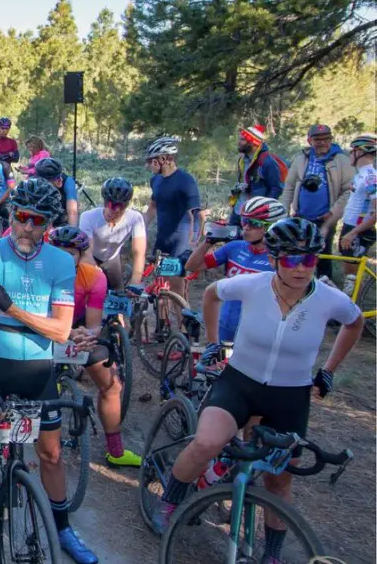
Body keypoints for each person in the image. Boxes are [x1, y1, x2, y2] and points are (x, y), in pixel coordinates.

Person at [154, 218, 365, 564]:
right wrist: (213, 343)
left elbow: (354, 323)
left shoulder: (328, 298)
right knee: (207, 443)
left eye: (309, 260)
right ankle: (169, 503)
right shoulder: (252, 285)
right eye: (292, 260)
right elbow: (210, 294)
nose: (301, 269)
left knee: (278, 480)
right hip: (239, 383)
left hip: (290, 396)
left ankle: (273, 552)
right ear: (273, 260)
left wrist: (328, 370)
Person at [0, 177, 98, 564]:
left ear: (49, 223)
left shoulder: (62, 262)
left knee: (50, 456)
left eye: (37, 220)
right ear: (11, 215)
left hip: (37, 370)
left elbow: (62, 330)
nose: (28, 227)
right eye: (21, 217)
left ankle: (63, 529)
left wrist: (12, 309)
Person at [48, 226, 142, 468]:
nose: (64, 258)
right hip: (42, 326)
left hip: (77, 328)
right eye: (57, 252)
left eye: (71, 253)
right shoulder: (35, 274)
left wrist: (83, 338)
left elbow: (93, 324)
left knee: (111, 385)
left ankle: (115, 450)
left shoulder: (94, 276)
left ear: (80, 255)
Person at [185, 197, 287, 342]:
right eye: (244, 221)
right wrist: (209, 241)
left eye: (254, 223)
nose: (246, 227)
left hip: (257, 331)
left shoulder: (279, 260)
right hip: (225, 324)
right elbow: (192, 266)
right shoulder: (234, 247)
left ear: (272, 228)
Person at [279, 124, 353, 280]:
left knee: (322, 256)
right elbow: (289, 186)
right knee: (296, 255)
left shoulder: (341, 160)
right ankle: (298, 286)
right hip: (300, 216)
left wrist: (333, 214)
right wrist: (282, 212)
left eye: (327, 139)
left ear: (332, 139)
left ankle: (324, 290)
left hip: (324, 218)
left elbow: (348, 190)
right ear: (309, 140)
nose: (322, 143)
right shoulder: (301, 158)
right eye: (317, 139)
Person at [144, 136, 200, 303]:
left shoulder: (186, 181)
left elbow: (195, 215)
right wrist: (141, 227)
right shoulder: (155, 180)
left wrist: (194, 242)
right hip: (163, 236)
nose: (148, 165)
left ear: (163, 159)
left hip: (181, 237)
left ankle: (183, 324)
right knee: (160, 282)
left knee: (176, 284)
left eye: (151, 161)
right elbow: (153, 206)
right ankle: (162, 325)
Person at [79, 177, 147, 290]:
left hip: (112, 259)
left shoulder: (135, 218)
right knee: (92, 291)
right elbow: (86, 252)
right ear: (105, 203)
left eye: (122, 206)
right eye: (112, 205)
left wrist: (135, 283)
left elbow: (139, 254)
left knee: (120, 295)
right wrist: (97, 273)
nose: (116, 210)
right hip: (91, 257)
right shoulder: (88, 217)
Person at [336, 134, 377, 295]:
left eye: (352, 151)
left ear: (360, 151)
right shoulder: (360, 174)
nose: (350, 155)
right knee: (349, 278)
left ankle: (352, 317)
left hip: (357, 230)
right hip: (350, 227)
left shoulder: (371, 177)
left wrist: (353, 233)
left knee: (351, 281)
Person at [231, 124, 284, 216]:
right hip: (238, 210)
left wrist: (263, 210)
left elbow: (276, 189)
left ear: (253, 143)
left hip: (255, 214)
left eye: (242, 140)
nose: (238, 142)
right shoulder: (242, 160)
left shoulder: (267, 162)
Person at [32, 157, 79, 226]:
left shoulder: (68, 182)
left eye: (59, 177)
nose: (60, 180)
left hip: (62, 218)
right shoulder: (33, 184)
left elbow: (72, 211)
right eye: (54, 179)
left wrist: (72, 231)